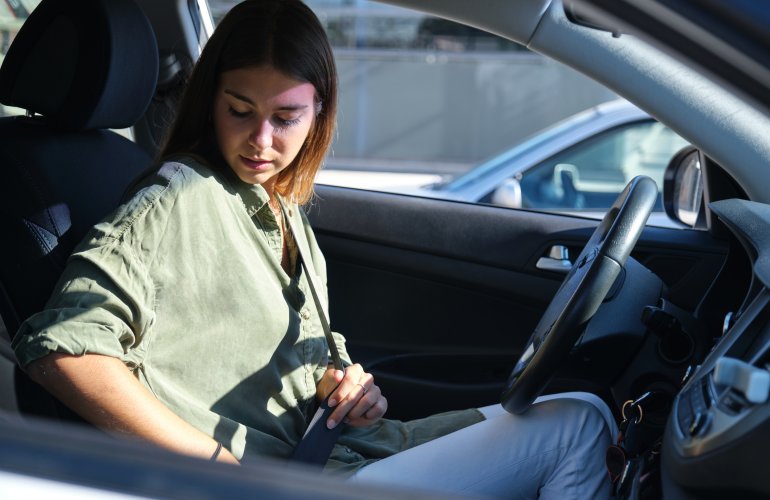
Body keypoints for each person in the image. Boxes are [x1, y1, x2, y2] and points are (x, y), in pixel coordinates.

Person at [12, 0, 617, 497]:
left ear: (319, 114)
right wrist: (213, 465)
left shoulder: (282, 207)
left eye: (286, 117)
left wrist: (347, 392)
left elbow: (289, 365)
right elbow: (64, 350)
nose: (260, 139)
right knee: (578, 428)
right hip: (293, 481)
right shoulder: (178, 196)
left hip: (344, 451)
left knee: (582, 403)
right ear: (210, 101)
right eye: (239, 111)